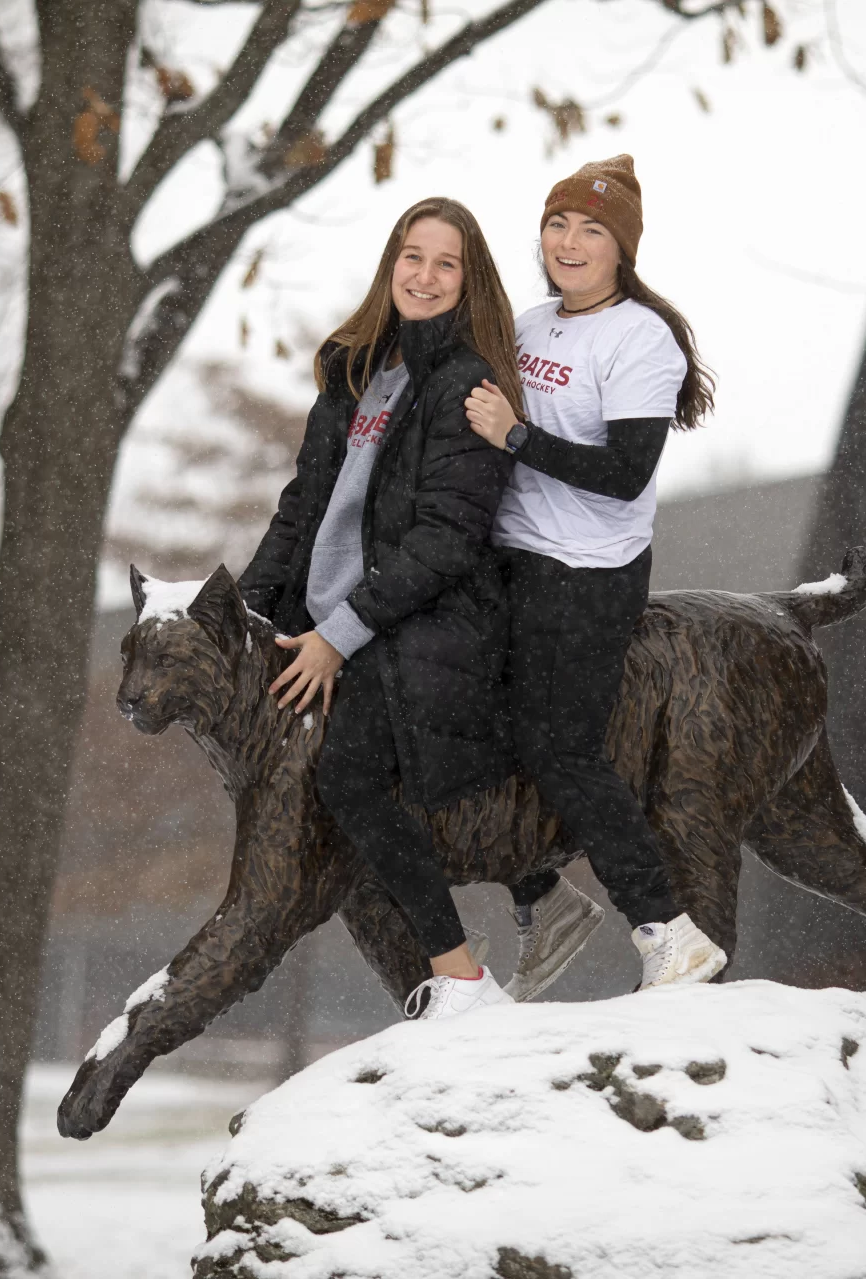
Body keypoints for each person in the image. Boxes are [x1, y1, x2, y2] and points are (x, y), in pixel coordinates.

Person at [239, 198, 525, 1021]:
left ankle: (460, 975)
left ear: (468, 283)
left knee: (347, 776)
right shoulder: (355, 370)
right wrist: (248, 615)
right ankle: (430, 987)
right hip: (328, 620)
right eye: (412, 255)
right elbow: (302, 508)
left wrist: (339, 634)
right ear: (389, 263)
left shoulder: (466, 382)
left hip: (416, 627)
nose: (425, 276)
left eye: (446, 264)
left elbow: (447, 537)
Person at [464, 155, 727, 999]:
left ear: (622, 250)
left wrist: (515, 438)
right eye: (557, 224)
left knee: (559, 747)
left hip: (585, 572)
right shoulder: (532, 323)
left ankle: (669, 932)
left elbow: (623, 471)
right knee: (444, 716)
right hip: (505, 559)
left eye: (591, 230)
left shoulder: (638, 338)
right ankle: (546, 899)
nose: (569, 242)